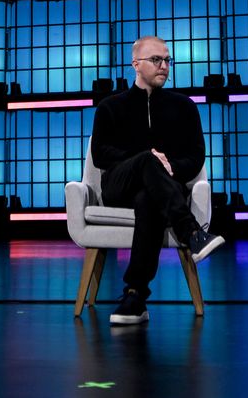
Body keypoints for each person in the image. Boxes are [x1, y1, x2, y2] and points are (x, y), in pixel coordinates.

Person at [89, 36, 225, 326]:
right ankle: (192, 233)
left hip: (163, 190)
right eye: (156, 60)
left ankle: (135, 295)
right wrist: (147, 159)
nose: (164, 66)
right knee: (147, 160)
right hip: (119, 186)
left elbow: (195, 156)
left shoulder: (184, 106)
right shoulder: (109, 107)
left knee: (149, 199)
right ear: (135, 64)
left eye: (167, 60)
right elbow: (101, 154)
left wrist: (167, 169)